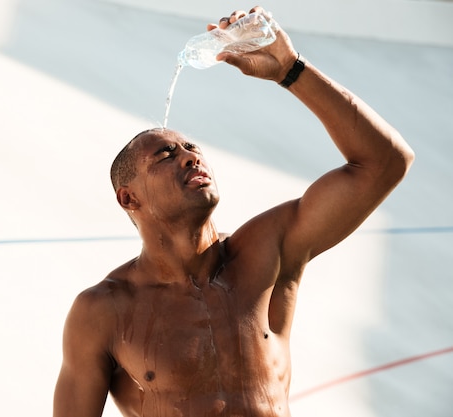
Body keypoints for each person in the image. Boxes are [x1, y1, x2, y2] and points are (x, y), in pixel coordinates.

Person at [53, 5, 414, 417]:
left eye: (193, 149)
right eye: (166, 155)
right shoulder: (103, 311)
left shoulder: (267, 251)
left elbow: (386, 162)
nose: (190, 158)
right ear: (129, 198)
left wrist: (289, 70)